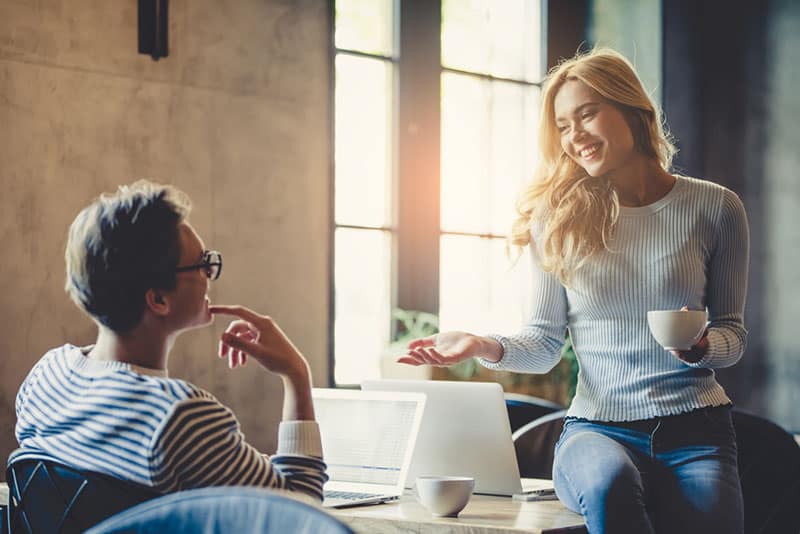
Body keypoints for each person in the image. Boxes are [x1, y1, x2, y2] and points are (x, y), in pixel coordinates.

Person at [399, 48, 749, 534]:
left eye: (587, 114)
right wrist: (481, 345)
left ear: (633, 110)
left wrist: (704, 346)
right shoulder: (557, 217)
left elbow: (734, 336)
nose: (575, 136)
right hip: (596, 431)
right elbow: (543, 346)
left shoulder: (715, 207)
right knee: (608, 483)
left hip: (698, 431)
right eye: (563, 125)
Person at [9, 180, 327, 502]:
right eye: (202, 265)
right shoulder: (179, 415)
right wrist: (296, 374)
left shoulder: (46, 377)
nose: (209, 275)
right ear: (159, 299)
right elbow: (300, 509)